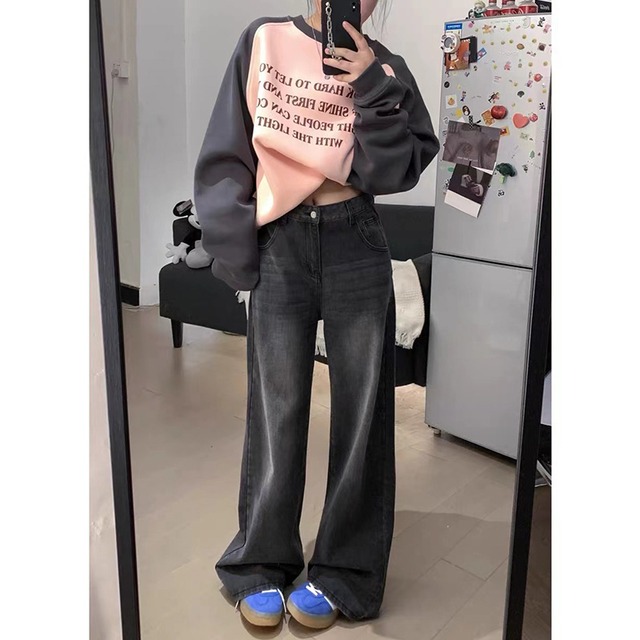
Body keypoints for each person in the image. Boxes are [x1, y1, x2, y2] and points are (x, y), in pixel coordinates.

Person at [193, 0, 439, 630]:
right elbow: (228, 149)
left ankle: (346, 573)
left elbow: (398, 169)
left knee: (363, 413)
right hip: (280, 241)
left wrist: (370, 83)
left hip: (357, 234)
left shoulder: (387, 66)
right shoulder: (263, 41)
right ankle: (260, 562)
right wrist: (234, 248)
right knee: (275, 409)